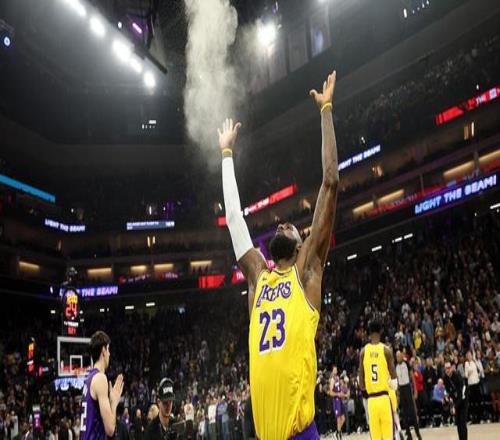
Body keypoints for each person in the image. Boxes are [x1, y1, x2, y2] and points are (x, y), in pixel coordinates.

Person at [218, 70, 339, 439]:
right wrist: (226, 154)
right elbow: (234, 219)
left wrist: (326, 111)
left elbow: (330, 181)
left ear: (302, 246)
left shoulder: (306, 272)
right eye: (283, 224)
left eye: (292, 227)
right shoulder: (259, 276)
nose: (285, 223)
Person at [80, 330, 124, 440]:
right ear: (103, 350)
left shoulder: (89, 379)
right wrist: (113, 402)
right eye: (108, 349)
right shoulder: (100, 378)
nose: (109, 354)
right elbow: (110, 429)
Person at [359, 319, 398, 440]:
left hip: (371, 401)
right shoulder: (386, 350)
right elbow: (394, 382)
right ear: (381, 331)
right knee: (388, 437)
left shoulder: (363, 352)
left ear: (369, 332)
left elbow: (361, 384)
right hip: (384, 399)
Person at [395, 351, 422, 439]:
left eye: (399, 356)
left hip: (407, 388)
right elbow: (396, 380)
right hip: (401, 389)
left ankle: (417, 432)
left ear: (402, 356)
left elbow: (412, 377)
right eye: (397, 356)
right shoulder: (395, 366)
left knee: (412, 412)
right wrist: (397, 393)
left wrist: (415, 390)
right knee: (404, 413)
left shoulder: (406, 364)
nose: (398, 358)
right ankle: (409, 434)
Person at [443, 362, 468, 440]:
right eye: (445, 368)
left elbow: (461, 393)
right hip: (456, 400)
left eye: (448, 368)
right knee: (458, 423)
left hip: (463, 400)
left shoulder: (457, 375)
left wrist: (454, 406)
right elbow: (448, 391)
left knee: (462, 423)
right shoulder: (445, 378)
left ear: (451, 368)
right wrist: (447, 399)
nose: (447, 370)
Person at [328, 367, 345, 439]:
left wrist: (341, 392)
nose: (336, 371)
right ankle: (339, 435)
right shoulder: (332, 380)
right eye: (334, 370)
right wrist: (338, 394)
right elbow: (330, 392)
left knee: (343, 418)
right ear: (332, 371)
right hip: (336, 400)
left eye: (336, 369)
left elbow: (340, 388)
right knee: (338, 418)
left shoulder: (338, 378)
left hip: (340, 399)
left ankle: (337, 432)